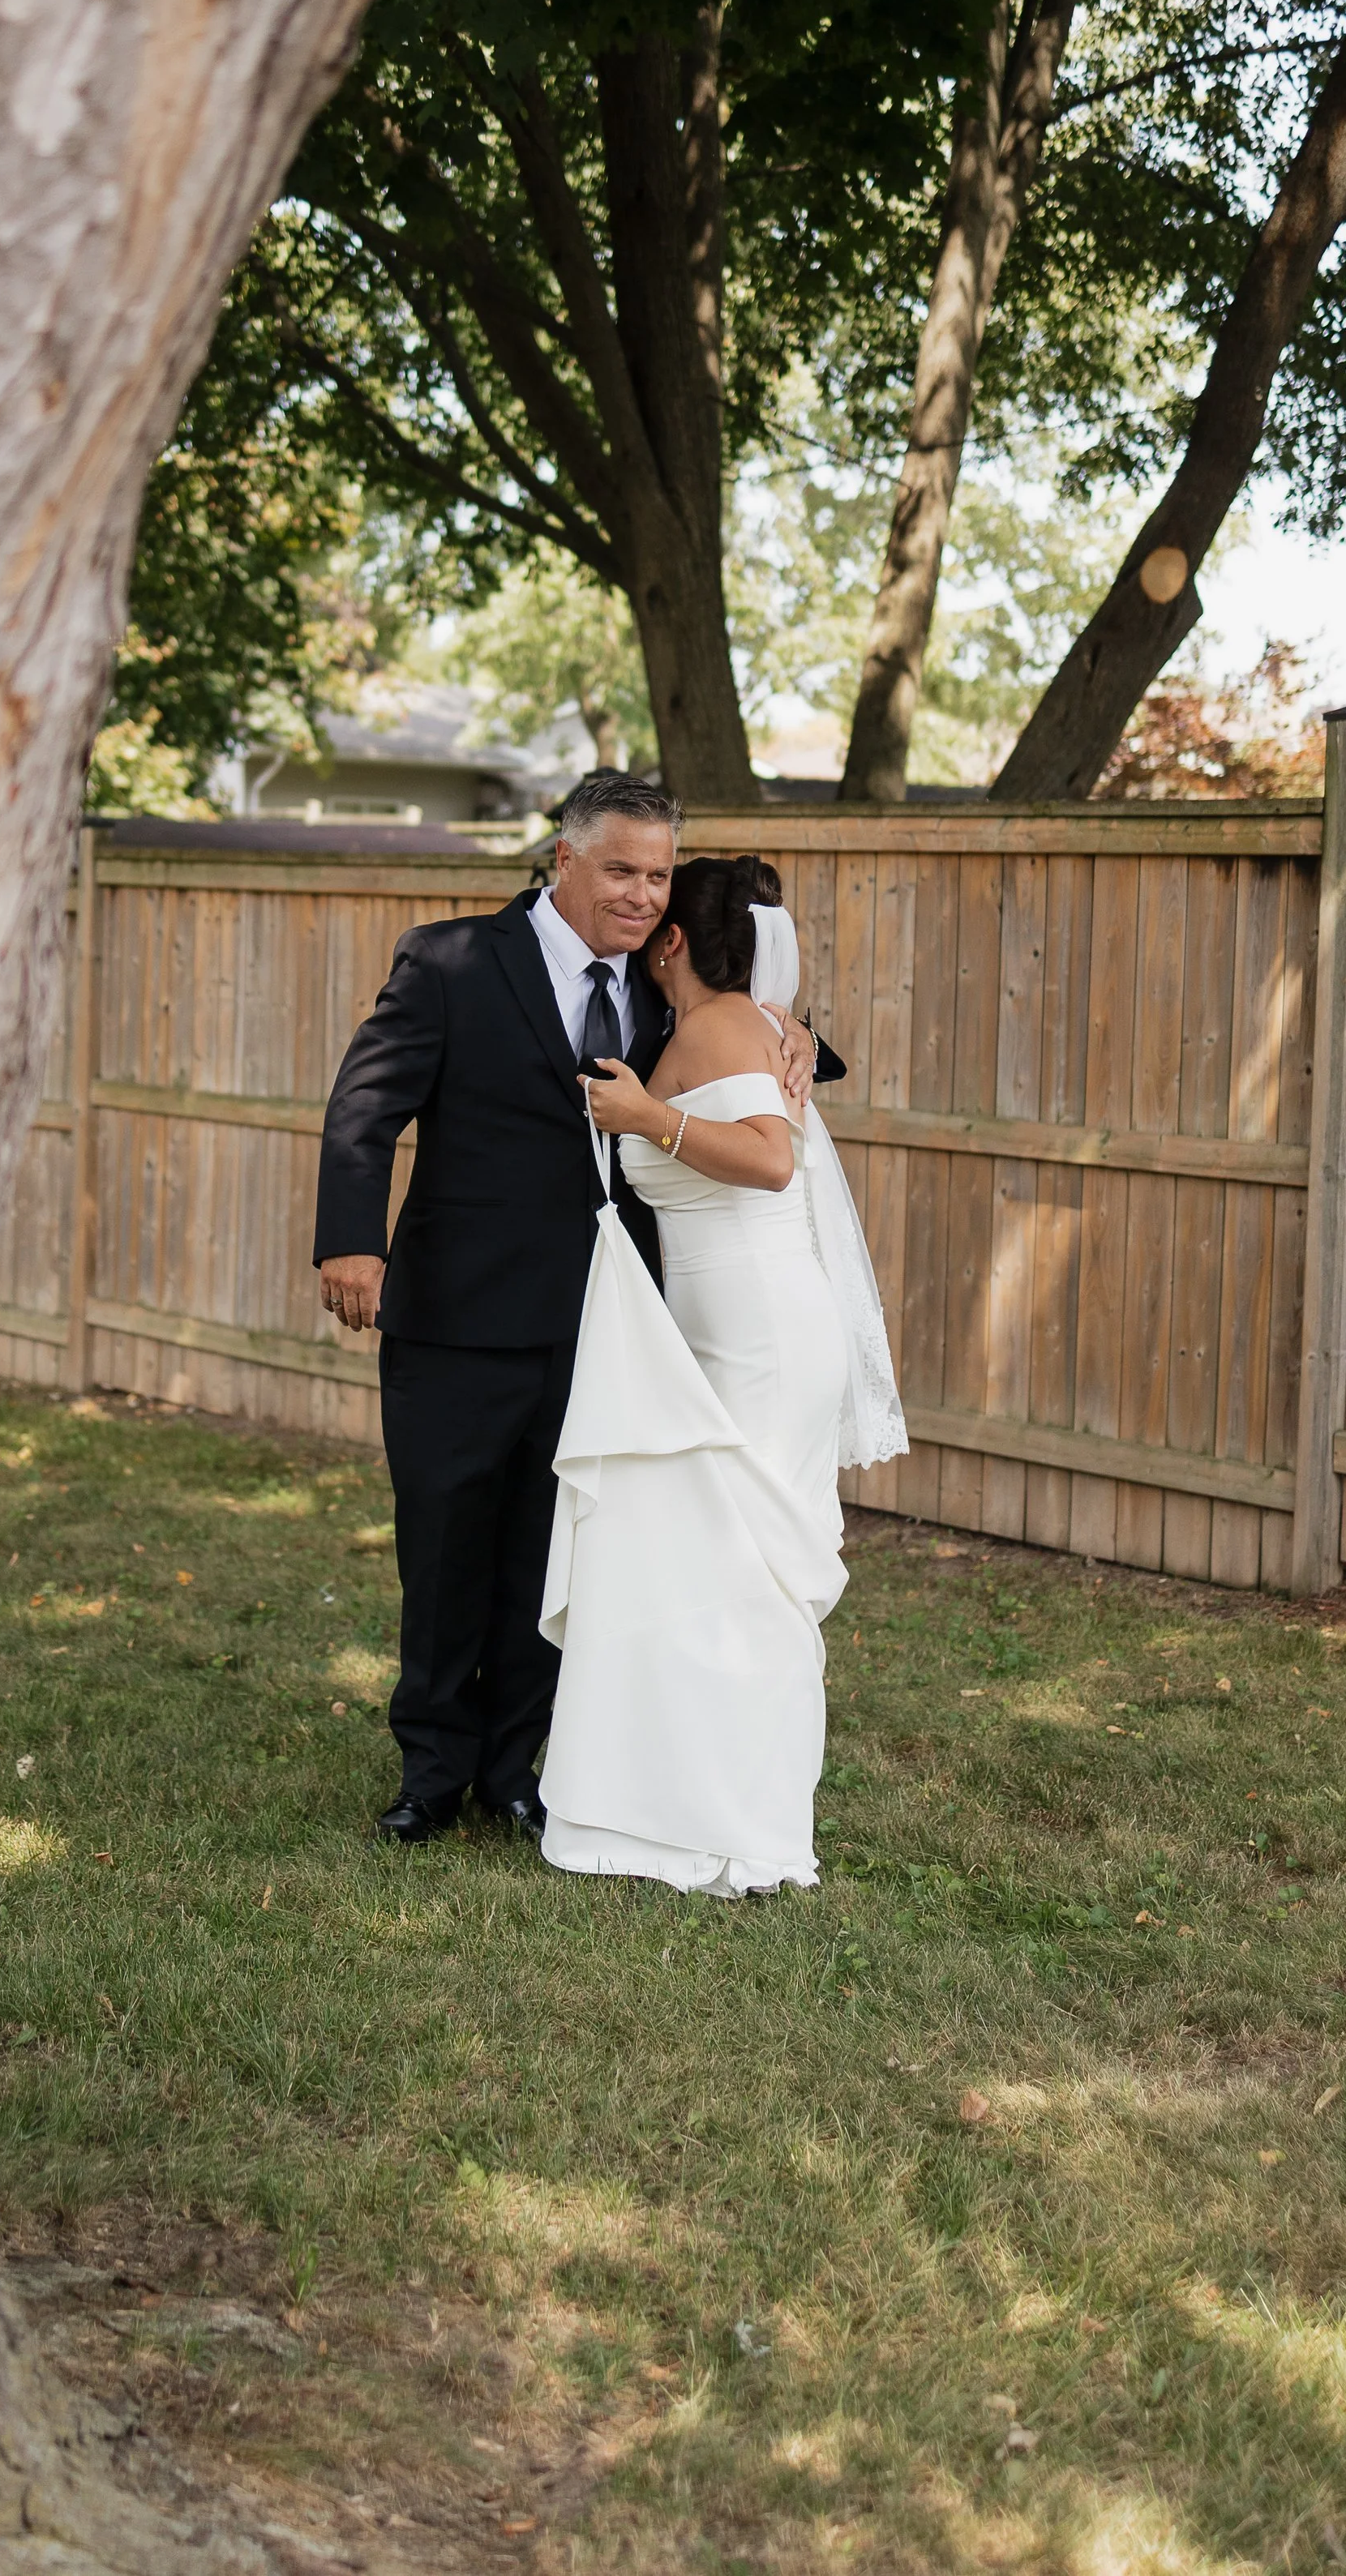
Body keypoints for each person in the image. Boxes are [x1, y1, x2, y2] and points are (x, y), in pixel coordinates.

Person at [313, 776, 838, 1846]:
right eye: (622, 870)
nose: (644, 895)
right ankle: (431, 1769)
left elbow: (765, 1055)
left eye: (658, 875)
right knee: (447, 1544)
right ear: (565, 860)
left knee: (557, 1549)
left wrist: (792, 1026)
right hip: (457, 1315)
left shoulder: (665, 985)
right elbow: (368, 1103)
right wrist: (351, 1239)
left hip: (609, 1330)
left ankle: (515, 1767)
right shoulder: (453, 960)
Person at [538, 855, 907, 1895]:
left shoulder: (718, 1028)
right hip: (737, 1326)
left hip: (757, 1332)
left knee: (746, 1569)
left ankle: (738, 1823)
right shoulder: (755, 1025)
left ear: (672, 942)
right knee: (717, 1560)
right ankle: (694, 1802)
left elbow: (769, 1159)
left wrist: (651, 1122)